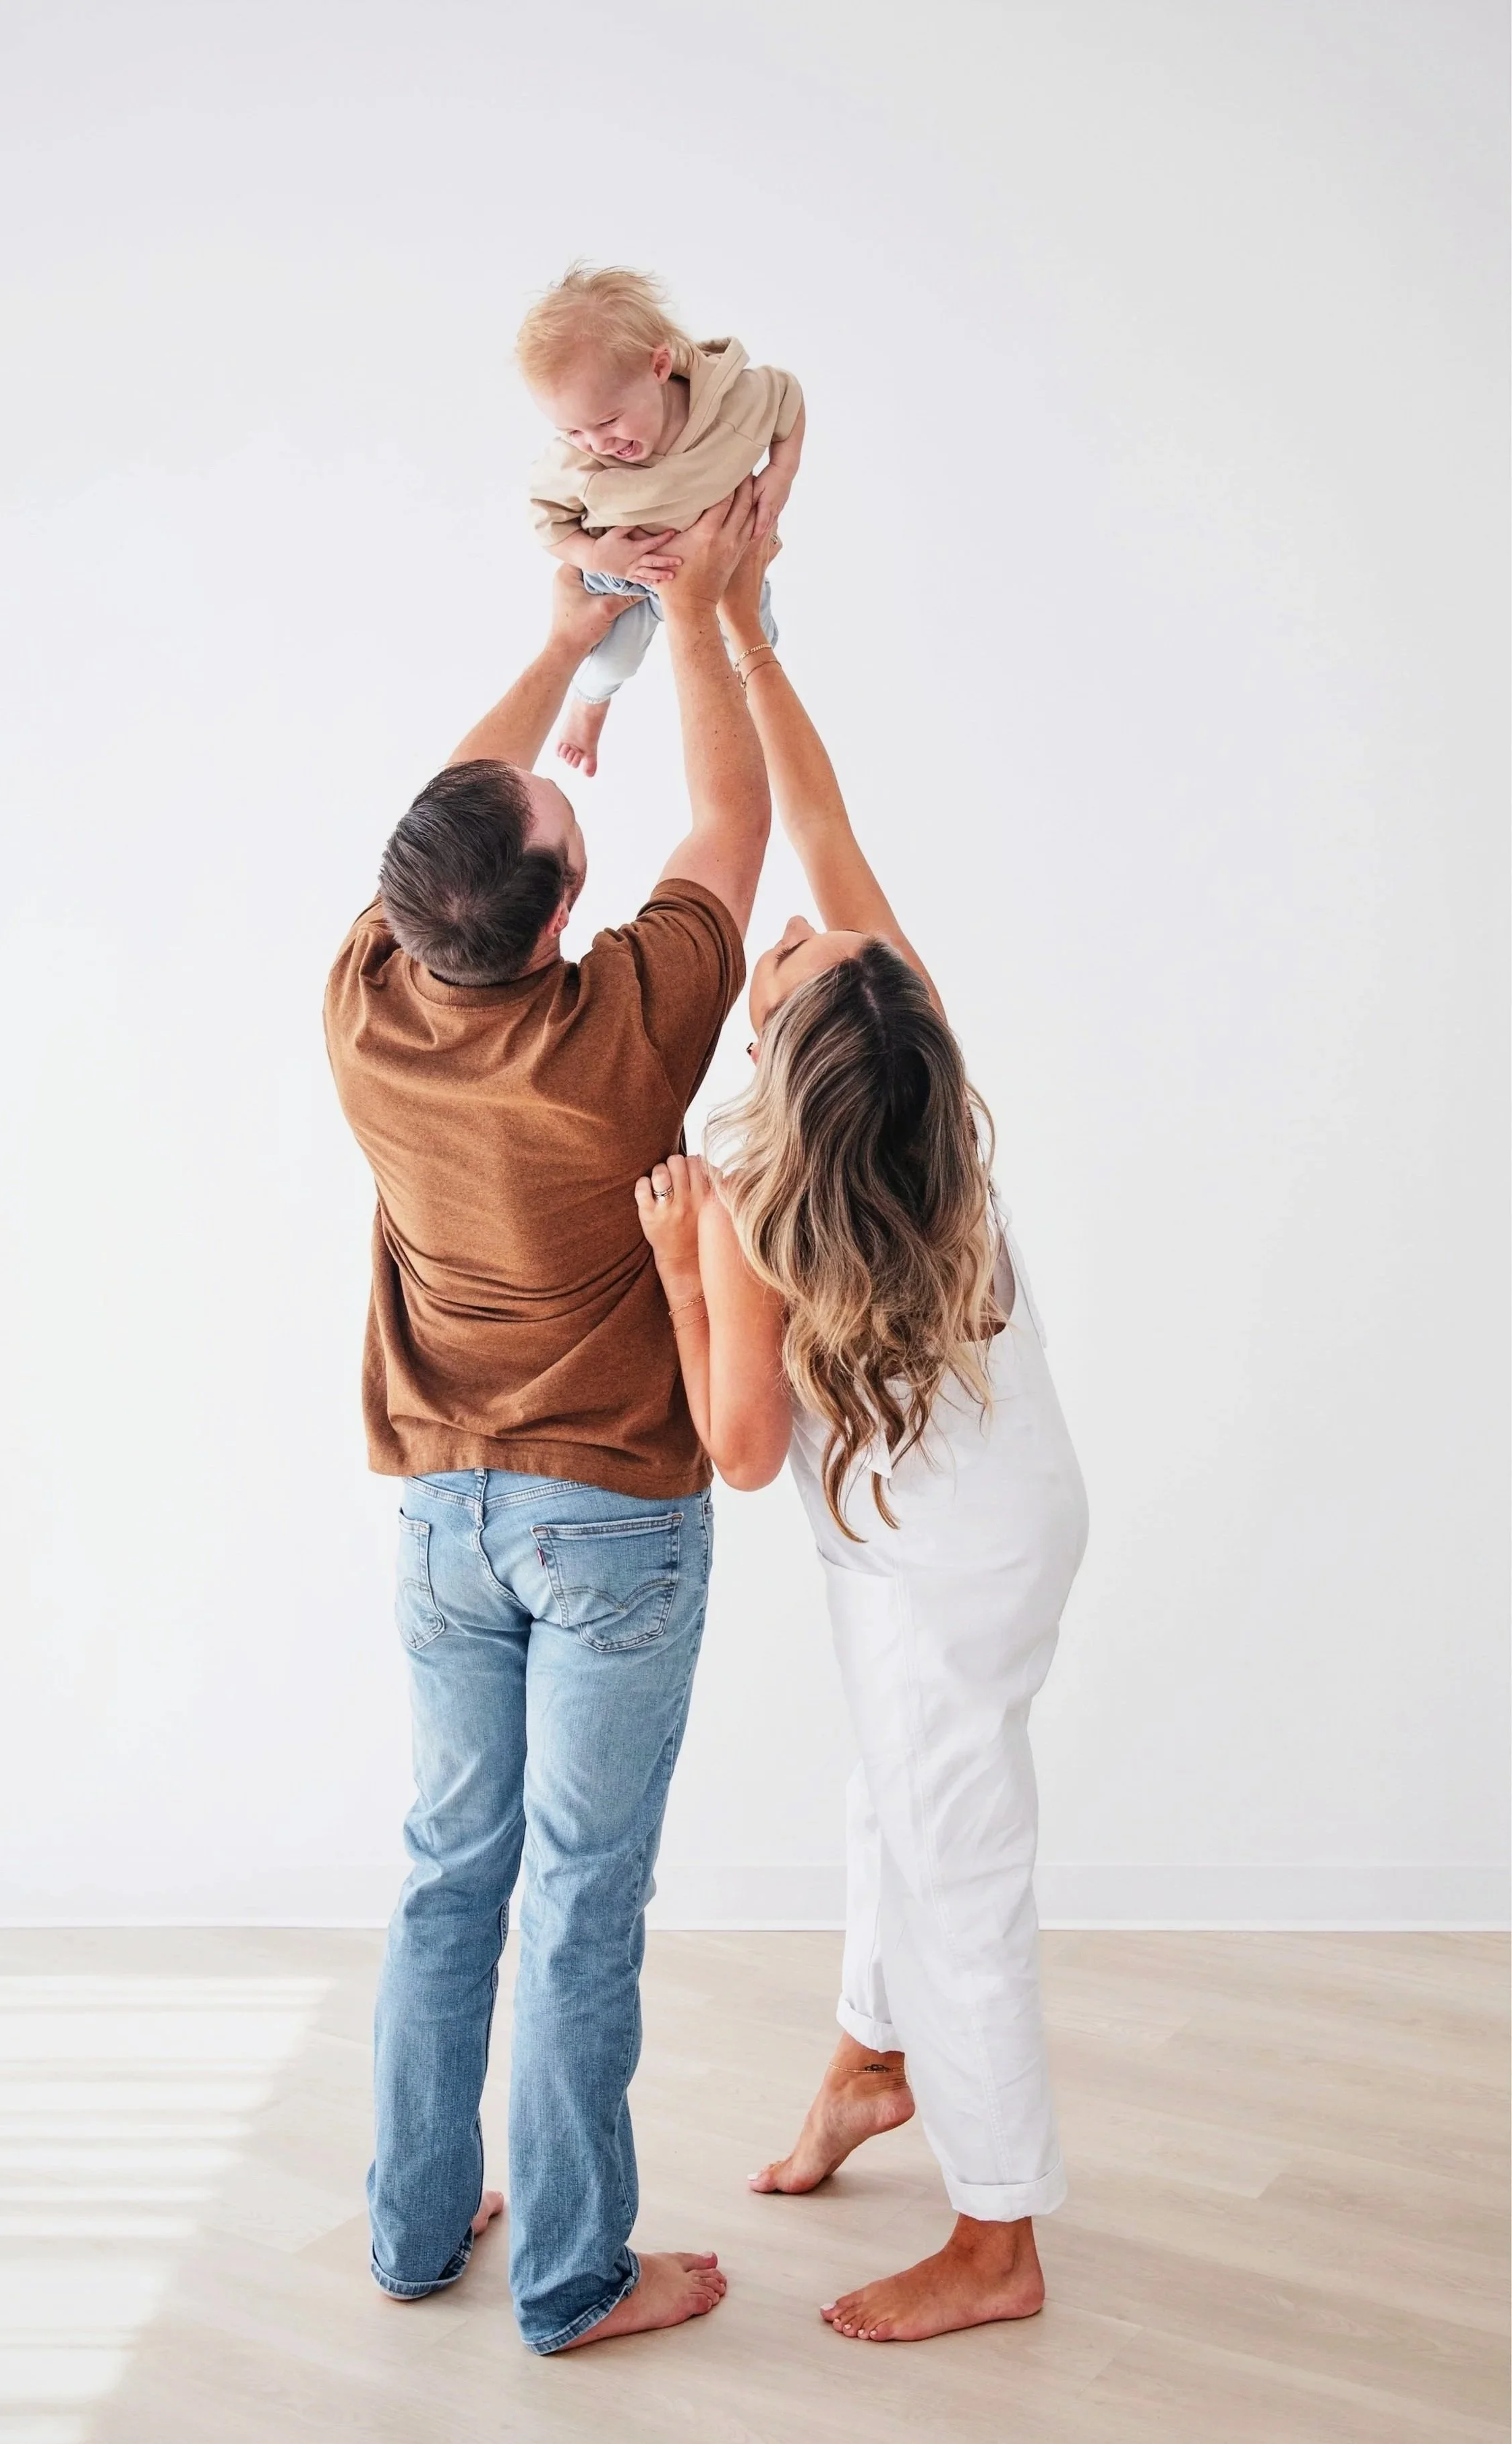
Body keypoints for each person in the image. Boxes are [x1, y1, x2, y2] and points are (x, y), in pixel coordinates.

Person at [323, 484, 770, 2354]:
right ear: (565, 906)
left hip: (440, 1511)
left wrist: (567, 640)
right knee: (581, 1895)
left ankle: (420, 2230)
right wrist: (718, 611)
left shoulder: (366, 1005)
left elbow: (444, 823)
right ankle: (575, 2274)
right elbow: (735, 822)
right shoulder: (625, 1028)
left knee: (449, 1868)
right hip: (608, 1520)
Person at [635, 536, 1089, 2346]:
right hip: (997, 1509)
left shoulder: (749, 1202)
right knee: (887, 1794)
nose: (795, 932)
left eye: (798, 955)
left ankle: (998, 2234)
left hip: (937, 1549)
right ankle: (866, 2055)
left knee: (955, 1860)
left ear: (792, 1061)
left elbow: (738, 1447)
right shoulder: (919, 1072)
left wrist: (681, 1271)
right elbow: (818, 821)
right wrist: (738, 627)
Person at [517, 262, 805, 776]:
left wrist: (782, 471)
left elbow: (788, 394)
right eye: (574, 432)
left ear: (659, 366)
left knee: (758, 643)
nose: (598, 443)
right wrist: (593, 554)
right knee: (613, 659)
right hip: (627, 572)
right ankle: (588, 707)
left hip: (725, 569)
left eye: (607, 421)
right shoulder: (576, 465)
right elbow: (546, 523)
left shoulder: (731, 403)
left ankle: (754, 721)